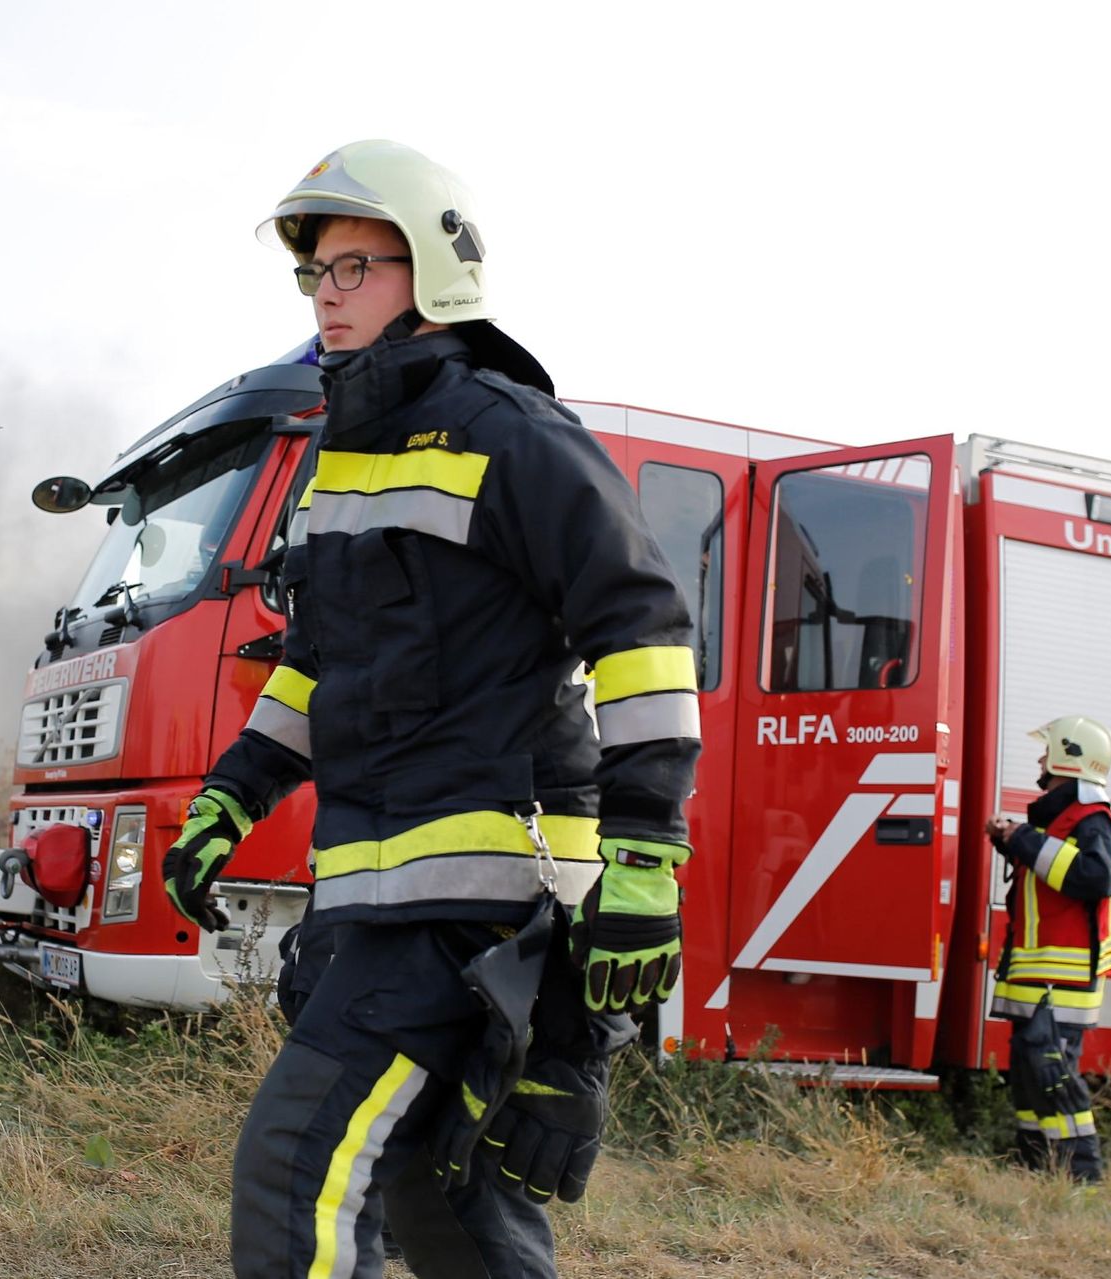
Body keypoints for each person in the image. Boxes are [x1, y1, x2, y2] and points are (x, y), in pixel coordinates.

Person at [162, 140, 702, 1278]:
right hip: (378, 896)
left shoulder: (513, 433)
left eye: (359, 265)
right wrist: (231, 796)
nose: (328, 291)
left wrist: (648, 848)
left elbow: (643, 631)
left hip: (477, 903)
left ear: (436, 274)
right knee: (443, 1202)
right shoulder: (338, 460)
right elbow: (317, 669)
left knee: (296, 1171)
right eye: (318, 271)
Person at [986, 714, 1111, 1184]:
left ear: (1069, 758)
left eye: (1048, 752)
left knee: (1053, 1076)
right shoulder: (1062, 819)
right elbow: (1053, 881)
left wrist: (1023, 838)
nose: (1041, 760)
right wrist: (1013, 843)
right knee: (1030, 1074)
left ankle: (1082, 1179)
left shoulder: (1092, 819)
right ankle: (1036, 1167)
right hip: (1042, 979)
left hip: (1061, 983)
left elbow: (1095, 878)